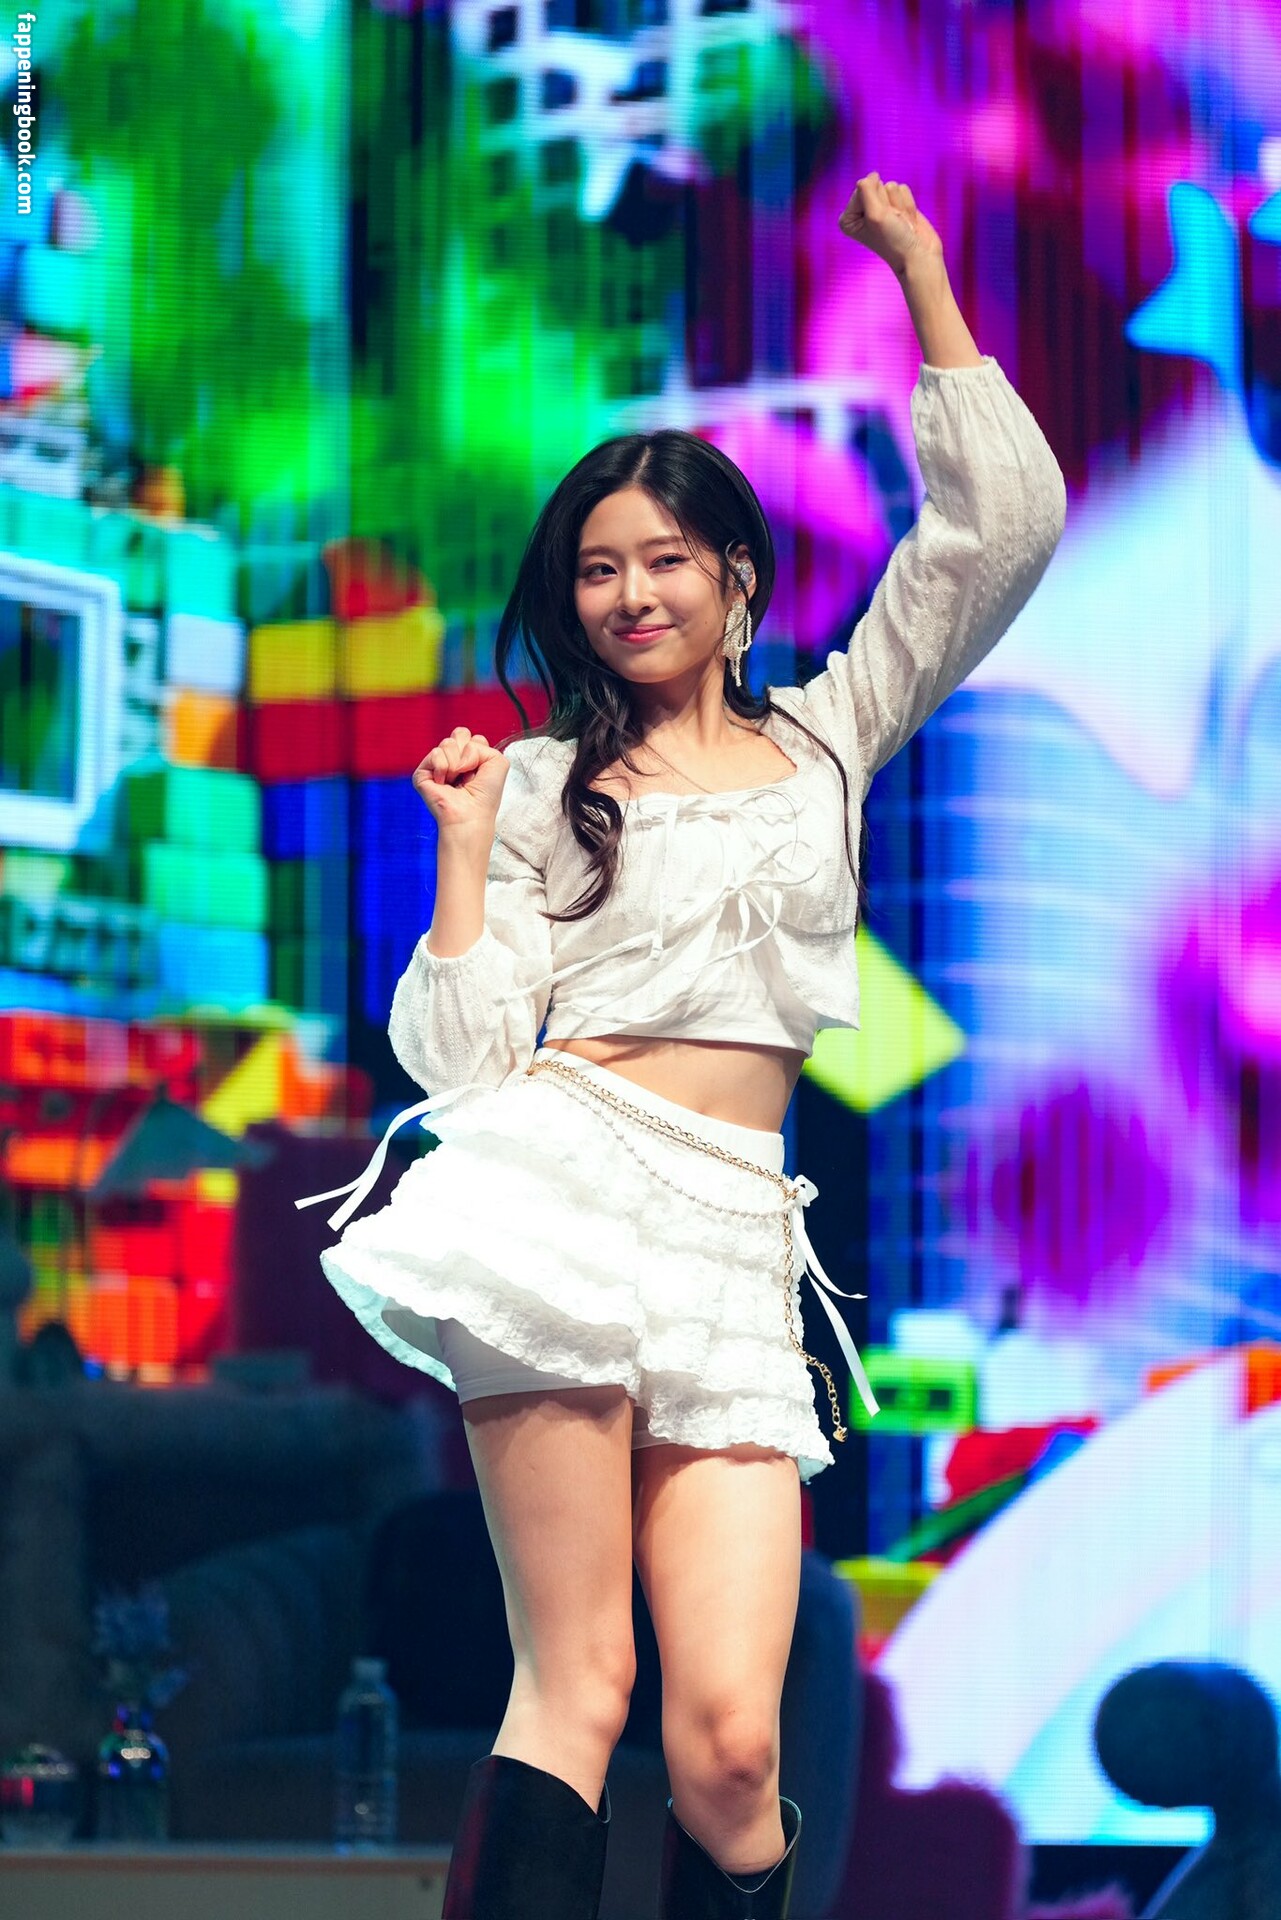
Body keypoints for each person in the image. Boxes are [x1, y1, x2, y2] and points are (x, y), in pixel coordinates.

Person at [299, 174, 1067, 1920]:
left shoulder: (830, 733)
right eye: (595, 570)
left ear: (735, 575)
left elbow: (1000, 529)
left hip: (732, 1237)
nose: (627, 595)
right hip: (558, 1198)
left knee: (729, 1749)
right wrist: (461, 846)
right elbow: (463, 1063)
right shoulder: (538, 783)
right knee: (578, 1689)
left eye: (660, 561)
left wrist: (922, 273)